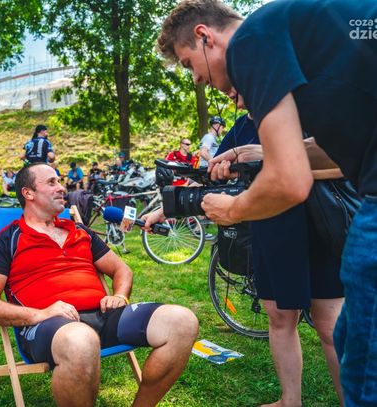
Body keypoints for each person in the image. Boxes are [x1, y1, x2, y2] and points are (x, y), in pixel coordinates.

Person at [157, 1, 377, 405]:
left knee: (363, 364)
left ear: (205, 36)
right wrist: (259, 152)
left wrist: (231, 209)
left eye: (189, 64)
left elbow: (289, 181)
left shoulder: (250, 40)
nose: (198, 80)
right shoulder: (302, 41)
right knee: (349, 335)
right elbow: (325, 154)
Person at [0, 162, 199, 407]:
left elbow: (121, 269)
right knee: (81, 340)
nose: (61, 188)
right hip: (49, 326)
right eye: (52, 182)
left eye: (60, 181)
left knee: (181, 322)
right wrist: (39, 314)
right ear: (28, 193)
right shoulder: (7, 240)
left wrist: (120, 295)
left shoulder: (79, 231)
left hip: (103, 316)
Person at [218, 111, 345, 406]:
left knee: (330, 324)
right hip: (271, 227)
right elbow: (212, 168)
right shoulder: (243, 125)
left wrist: (263, 153)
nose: (236, 97)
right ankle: (290, 401)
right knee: (280, 317)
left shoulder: (310, 104)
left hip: (321, 222)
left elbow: (341, 153)